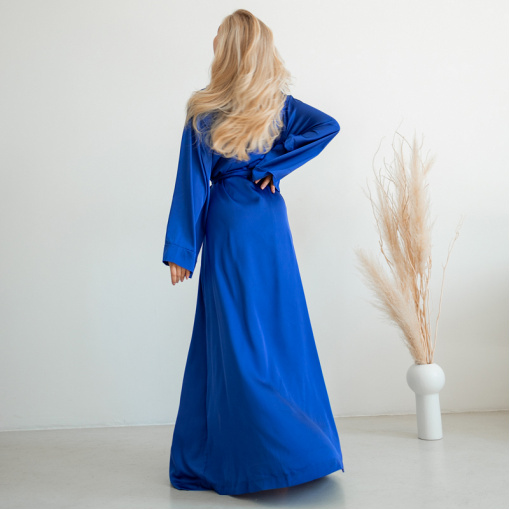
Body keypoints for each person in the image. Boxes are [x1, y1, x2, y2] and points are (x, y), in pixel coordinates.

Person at [162, 8, 344, 496]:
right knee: (276, 332)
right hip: (267, 221)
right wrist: (275, 167)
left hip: (231, 224)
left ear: (228, 50)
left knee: (238, 337)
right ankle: (301, 448)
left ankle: (263, 454)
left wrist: (182, 249)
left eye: (218, 37)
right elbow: (326, 127)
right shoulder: (275, 104)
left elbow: (191, 182)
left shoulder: (206, 109)